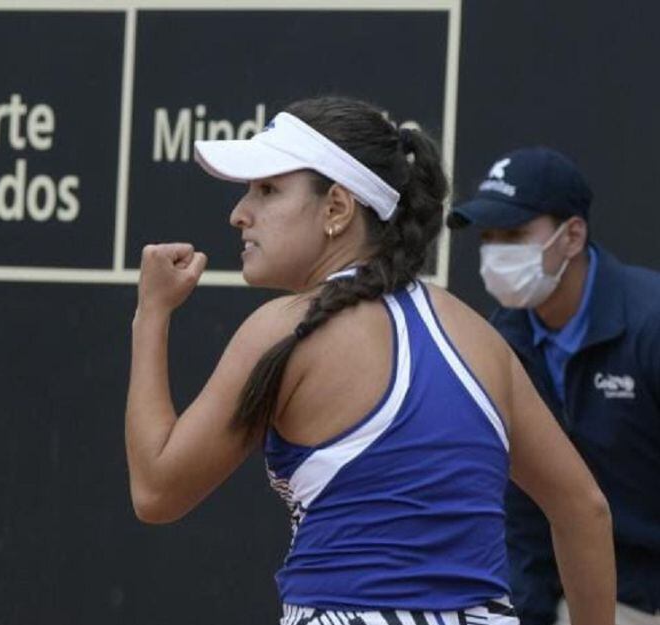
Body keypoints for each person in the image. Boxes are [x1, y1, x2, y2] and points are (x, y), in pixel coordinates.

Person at [124, 96, 615, 624]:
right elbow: (584, 509)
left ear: (337, 208)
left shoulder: (283, 330)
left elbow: (157, 491)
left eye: (268, 190)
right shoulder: (481, 338)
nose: (239, 213)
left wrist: (151, 314)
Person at [448, 147, 660, 625]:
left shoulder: (650, 323)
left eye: (516, 234)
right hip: (580, 594)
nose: (497, 251)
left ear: (573, 236)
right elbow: (520, 504)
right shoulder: (502, 341)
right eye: (489, 236)